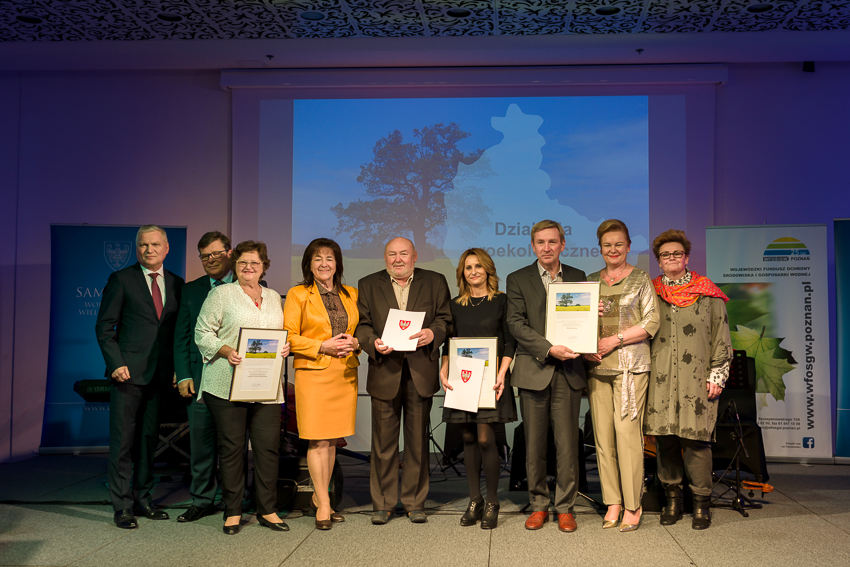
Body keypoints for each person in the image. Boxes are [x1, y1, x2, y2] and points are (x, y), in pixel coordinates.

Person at [195, 240, 291, 535]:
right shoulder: (221, 294)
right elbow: (202, 331)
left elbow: (277, 334)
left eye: (255, 263)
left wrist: (285, 347)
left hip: (265, 386)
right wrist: (224, 350)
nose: (249, 268)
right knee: (233, 449)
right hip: (227, 384)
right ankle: (233, 511)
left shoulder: (274, 297)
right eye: (242, 263)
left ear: (264, 267)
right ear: (234, 265)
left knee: (267, 449)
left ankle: (267, 509)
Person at [355, 237, 452, 525]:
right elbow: (362, 324)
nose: (398, 259)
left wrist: (432, 334)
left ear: (415, 256)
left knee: (417, 443)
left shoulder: (435, 281)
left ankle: (414, 502)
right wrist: (373, 342)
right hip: (385, 370)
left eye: (404, 254)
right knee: (383, 443)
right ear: (385, 258)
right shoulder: (368, 283)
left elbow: (446, 320)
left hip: (421, 371)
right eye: (392, 254)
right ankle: (382, 503)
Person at [95, 225, 184, 529]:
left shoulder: (176, 283)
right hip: (127, 376)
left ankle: (143, 499)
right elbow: (104, 327)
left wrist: (177, 369)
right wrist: (115, 363)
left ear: (166, 248)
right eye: (144, 245)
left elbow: (175, 333)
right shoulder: (121, 279)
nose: (149, 250)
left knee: (148, 442)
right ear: (137, 248)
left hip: (159, 376)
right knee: (122, 443)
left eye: (155, 244)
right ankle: (122, 506)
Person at [645, 229, 732, 530]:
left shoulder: (708, 293)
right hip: (660, 379)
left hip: (697, 379)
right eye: (665, 255)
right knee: (665, 440)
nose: (672, 258)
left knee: (697, 443)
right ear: (658, 261)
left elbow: (722, 337)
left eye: (677, 254)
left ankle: (701, 504)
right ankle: (672, 500)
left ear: (687, 257)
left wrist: (718, 375)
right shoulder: (650, 292)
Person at [506, 220, 587, 532]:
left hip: (569, 372)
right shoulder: (518, 279)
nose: (546, 248)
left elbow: (586, 319)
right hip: (534, 370)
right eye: (540, 242)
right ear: (533, 246)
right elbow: (515, 323)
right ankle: (539, 504)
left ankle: (565, 507)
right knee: (534, 445)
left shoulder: (579, 278)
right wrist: (549, 348)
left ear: (562, 245)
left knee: (567, 445)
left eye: (552, 242)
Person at [582, 220, 659, 532]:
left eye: (618, 244)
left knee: (627, 436)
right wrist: (584, 347)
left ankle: (632, 504)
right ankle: (612, 501)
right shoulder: (588, 282)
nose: (612, 250)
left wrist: (616, 339)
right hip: (597, 366)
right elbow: (576, 320)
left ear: (628, 247)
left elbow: (652, 321)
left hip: (631, 367)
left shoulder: (641, 279)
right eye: (606, 245)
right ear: (600, 249)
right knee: (602, 438)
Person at [283, 238, 360, 531]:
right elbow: (288, 336)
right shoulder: (298, 294)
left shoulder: (351, 293)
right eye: (317, 259)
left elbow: (359, 331)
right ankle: (324, 504)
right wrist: (321, 346)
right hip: (314, 373)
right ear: (308, 265)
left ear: (337, 263)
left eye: (329, 258)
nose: (324, 264)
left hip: (344, 374)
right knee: (317, 439)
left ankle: (320, 496)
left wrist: (356, 342)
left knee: (331, 441)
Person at [440, 248, 517, 530]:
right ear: (463, 272)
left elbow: (510, 341)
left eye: (478, 266)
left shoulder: (501, 301)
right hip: (463, 378)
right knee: (468, 438)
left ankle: (493, 500)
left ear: (488, 270)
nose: (473, 271)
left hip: (492, 378)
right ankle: (475, 500)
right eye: (468, 267)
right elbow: (449, 341)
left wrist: (502, 372)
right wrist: (444, 367)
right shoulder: (455, 304)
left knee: (486, 438)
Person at [172, 231, 233, 522]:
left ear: (230, 253)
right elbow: (181, 336)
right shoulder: (191, 290)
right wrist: (183, 374)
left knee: (233, 444)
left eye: (216, 254)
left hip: (238, 378)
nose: (210, 260)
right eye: (205, 256)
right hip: (200, 378)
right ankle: (202, 499)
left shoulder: (249, 285)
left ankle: (235, 501)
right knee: (201, 444)